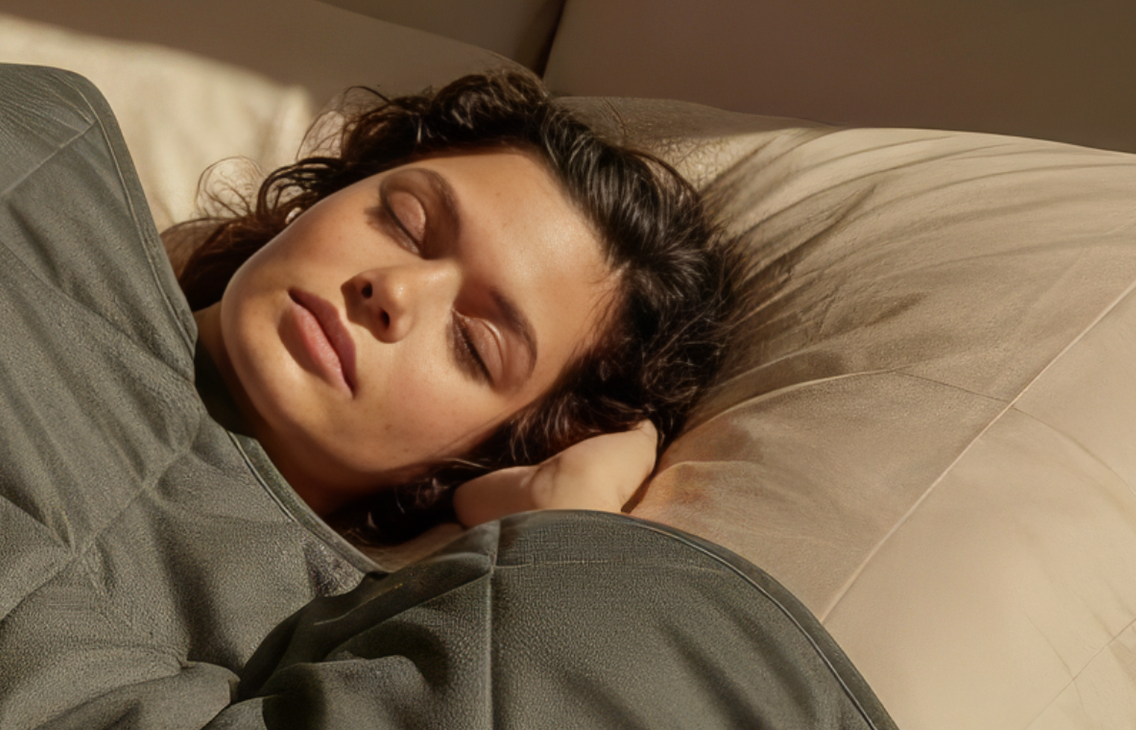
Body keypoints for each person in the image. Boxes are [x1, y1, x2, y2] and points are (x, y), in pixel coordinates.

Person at [166, 71, 746, 545]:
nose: (394, 292)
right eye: (405, 223)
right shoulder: (75, 169)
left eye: (473, 343)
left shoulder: (323, 651)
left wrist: (565, 520)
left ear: (497, 452)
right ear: (334, 190)